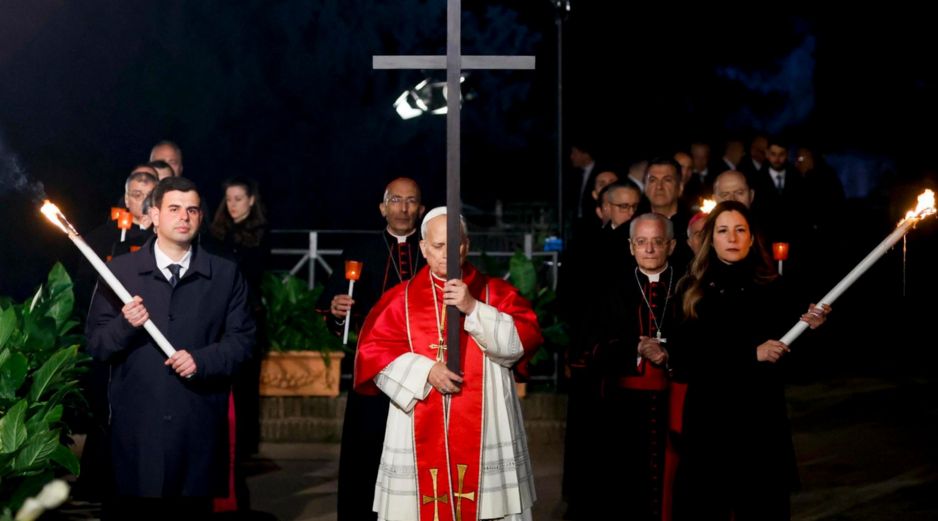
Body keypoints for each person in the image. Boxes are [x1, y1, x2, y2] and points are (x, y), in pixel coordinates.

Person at [355, 207, 543, 521]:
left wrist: (474, 308)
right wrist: (425, 371)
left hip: (487, 426)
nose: (446, 253)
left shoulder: (496, 293)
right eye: (438, 245)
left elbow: (521, 345)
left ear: (466, 246)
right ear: (423, 248)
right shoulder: (399, 300)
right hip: (418, 421)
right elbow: (373, 353)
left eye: (454, 244)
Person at [85, 176, 254, 519]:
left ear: (201, 217)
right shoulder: (121, 272)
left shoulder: (224, 275)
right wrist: (125, 324)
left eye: (192, 210)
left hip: (197, 433)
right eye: (174, 208)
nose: (184, 217)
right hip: (136, 434)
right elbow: (97, 344)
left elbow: (243, 341)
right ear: (154, 215)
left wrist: (201, 361)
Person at [671, 201, 829, 520]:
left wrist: (811, 329)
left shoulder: (774, 289)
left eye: (740, 230)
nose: (732, 238)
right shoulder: (691, 291)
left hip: (760, 425)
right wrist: (750, 355)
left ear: (751, 238)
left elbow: (799, 366)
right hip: (710, 426)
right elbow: (684, 361)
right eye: (723, 230)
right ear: (711, 239)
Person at [317, 177, 426, 521]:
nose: (403, 208)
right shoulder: (360, 250)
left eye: (411, 201)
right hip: (374, 369)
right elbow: (333, 310)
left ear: (421, 209)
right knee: (367, 448)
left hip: (424, 367)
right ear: (382, 208)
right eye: (395, 200)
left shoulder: (432, 249)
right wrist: (338, 310)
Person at [589, 213, 681, 520]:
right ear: (631, 247)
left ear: (671, 246)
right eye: (642, 242)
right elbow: (593, 347)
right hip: (624, 408)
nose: (649, 249)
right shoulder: (611, 291)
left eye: (657, 242)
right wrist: (636, 347)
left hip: (676, 403)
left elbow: (704, 344)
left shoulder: (687, 288)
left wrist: (670, 353)